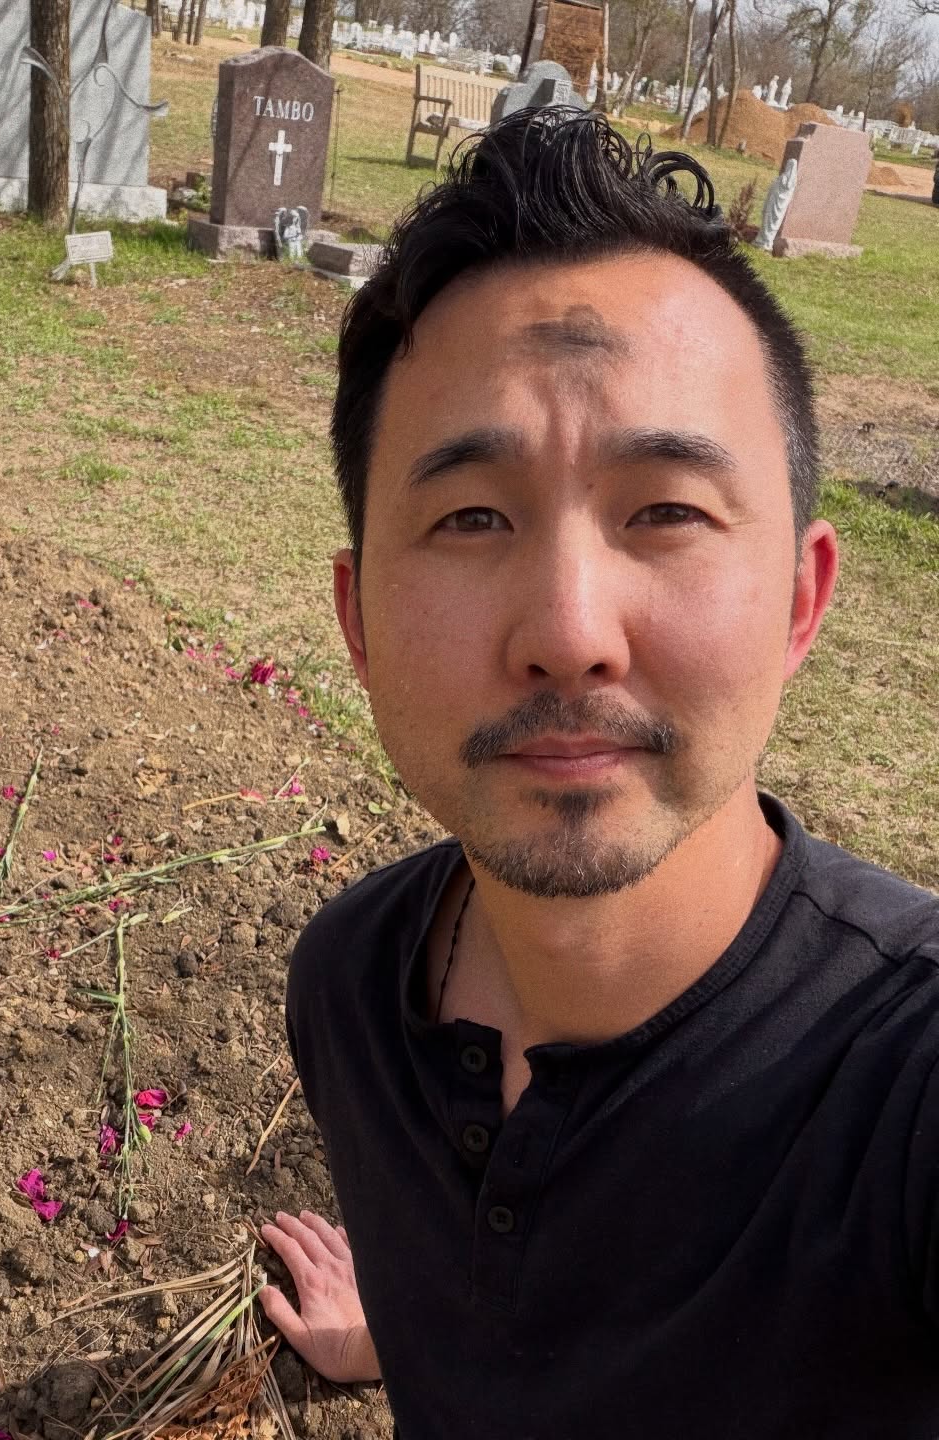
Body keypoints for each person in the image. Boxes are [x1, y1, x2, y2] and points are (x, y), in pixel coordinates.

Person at [255, 107, 939, 1438]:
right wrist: (402, 1319)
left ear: (801, 603)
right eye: (470, 518)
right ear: (357, 622)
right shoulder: (346, 990)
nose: (568, 630)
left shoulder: (903, 1092)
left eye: (667, 511)